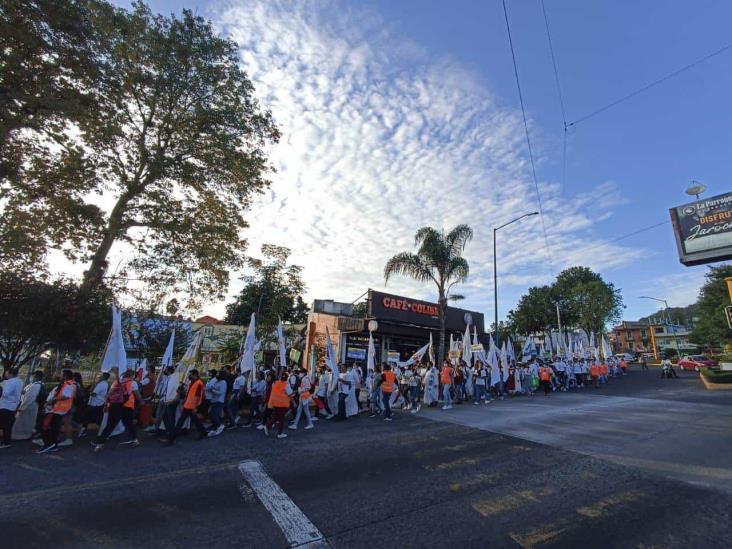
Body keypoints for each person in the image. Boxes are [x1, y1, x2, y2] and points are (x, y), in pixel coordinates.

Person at [93, 370, 141, 451]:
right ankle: (135, 440)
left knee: (110, 425)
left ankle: (99, 444)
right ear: (132, 376)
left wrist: (107, 404)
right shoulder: (132, 383)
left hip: (114, 406)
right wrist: (141, 401)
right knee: (129, 424)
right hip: (127, 406)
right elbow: (136, 394)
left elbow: (109, 394)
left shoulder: (117, 382)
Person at [37, 369, 77, 453]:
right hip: (56, 409)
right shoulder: (66, 383)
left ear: (65, 376)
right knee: (52, 427)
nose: (59, 375)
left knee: (43, 426)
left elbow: (66, 396)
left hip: (58, 409)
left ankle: (49, 444)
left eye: (61, 374)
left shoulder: (69, 384)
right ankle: (52, 444)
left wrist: (53, 399)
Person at [163, 369, 207, 445]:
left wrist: (196, 407)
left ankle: (171, 440)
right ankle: (203, 432)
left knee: (181, 422)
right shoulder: (192, 382)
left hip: (192, 407)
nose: (189, 376)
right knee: (194, 421)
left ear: (194, 374)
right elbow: (190, 394)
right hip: (188, 406)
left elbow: (199, 397)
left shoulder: (199, 383)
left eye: (190, 374)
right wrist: (184, 398)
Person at [12, 370, 45, 441]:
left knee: (23, 421)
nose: (32, 377)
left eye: (33, 375)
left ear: (36, 376)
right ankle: (24, 435)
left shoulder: (36, 385)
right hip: (31, 405)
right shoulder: (36, 384)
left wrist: (22, 407)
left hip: (29, 405)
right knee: (27, 421)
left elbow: (30, 398)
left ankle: (20, 436)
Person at [79, 372, 110, 437]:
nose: (99, 377)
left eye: (100, 376)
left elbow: (93, 394)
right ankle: (83, 431)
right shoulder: (105, 384)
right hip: (97, 403)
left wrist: (89, 392)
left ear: (103, 377)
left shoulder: (101, 385)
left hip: (95, 404)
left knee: (97, 419)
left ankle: (103, 433)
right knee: (88, 418)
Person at [264, 371, 292, 439]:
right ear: (287, 378)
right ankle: (280, 433)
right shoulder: (286, 384)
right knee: (281, 419)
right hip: (281, 404)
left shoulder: (275, 383)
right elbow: (289, 393)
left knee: (276, 417)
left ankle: (267, 426)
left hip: (274, 403)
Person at [0, 368, 24, 448]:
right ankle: (7, 441)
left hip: (5, 405)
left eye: (6, 373)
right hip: (13, 406)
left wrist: (2, 388)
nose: (6, 375)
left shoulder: (11, 382)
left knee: (5, 424)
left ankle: (6, 442)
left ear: (10, 374)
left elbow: (5, 393)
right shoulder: (19, 381)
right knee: (7, 425)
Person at [207, 369, 227, 437]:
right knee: (211, 414)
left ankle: (219, 426)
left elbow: (221, 392)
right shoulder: (217, 381)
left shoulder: (223, 382)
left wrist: (212, 390)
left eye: (218, 374)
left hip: (219, 401)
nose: (217, 375)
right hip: (214, 400)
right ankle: (214, 426)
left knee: (215, 415)